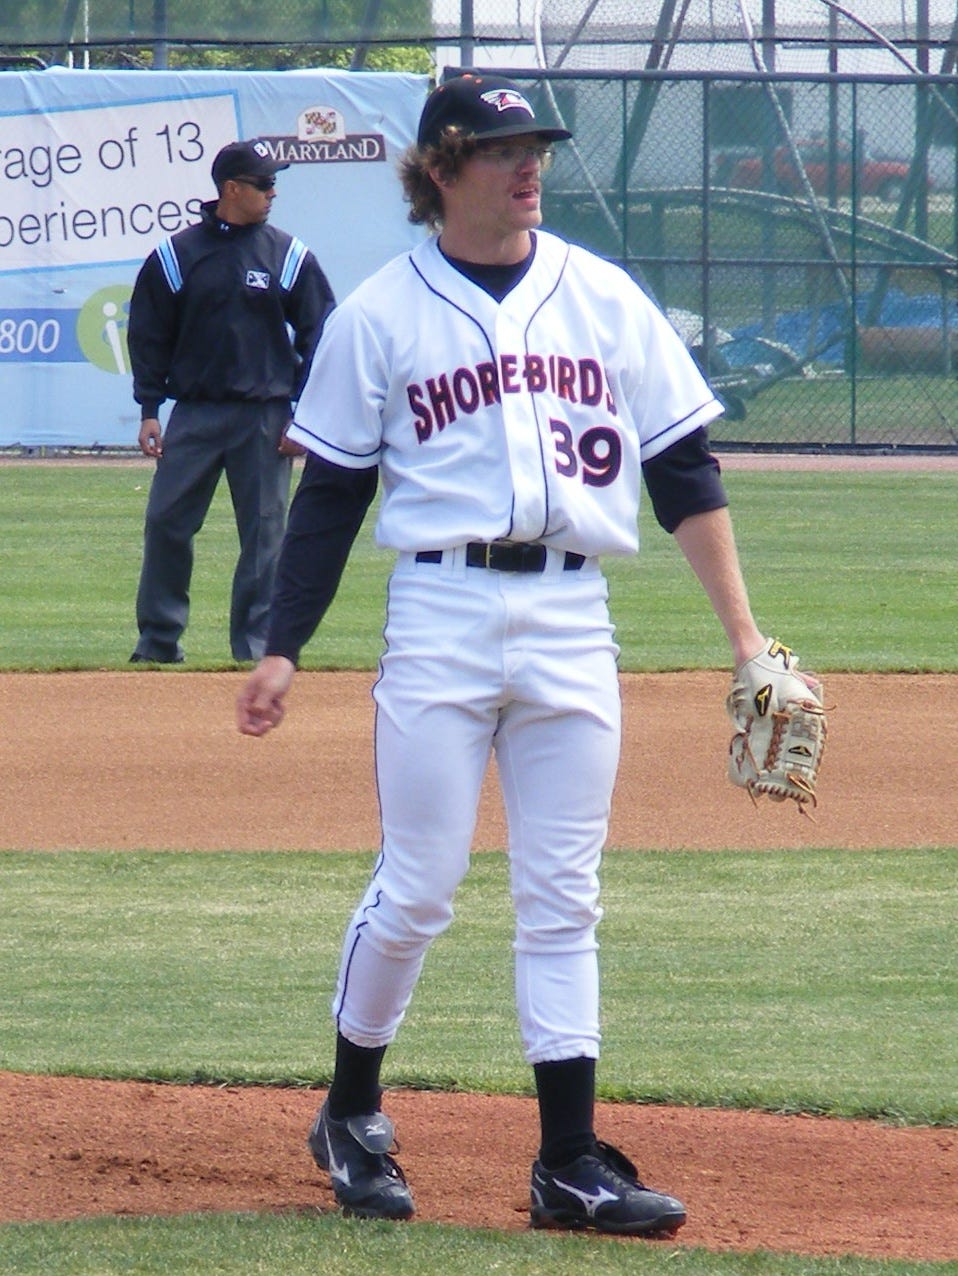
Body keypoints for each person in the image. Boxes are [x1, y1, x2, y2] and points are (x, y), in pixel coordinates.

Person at [236, 73, 813, 1234]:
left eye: (535, 145)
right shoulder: (380, 314)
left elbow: (681, 470)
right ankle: (350, 1107)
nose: (528, 164)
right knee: (417, 889)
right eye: (501, 148)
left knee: (563, 899)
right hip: (439, 614)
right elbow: (333, 492)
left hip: (571, 616)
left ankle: (568, 1162)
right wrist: (283, 644)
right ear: (439, 169)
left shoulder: (600, 295)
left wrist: (745, 637)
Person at [127, 139, 335, 664]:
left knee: (265, 537)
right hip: (194, 414)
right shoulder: (177, 256)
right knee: (166, 523)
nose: (273, 192)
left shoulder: (286, 254)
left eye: (274, 182)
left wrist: (305, 415)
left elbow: (321, 332)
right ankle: (157, 644)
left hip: (267, 416)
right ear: (231, 189)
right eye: (264, 184)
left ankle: (255, 649)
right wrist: (150, 409)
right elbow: (148, 333)